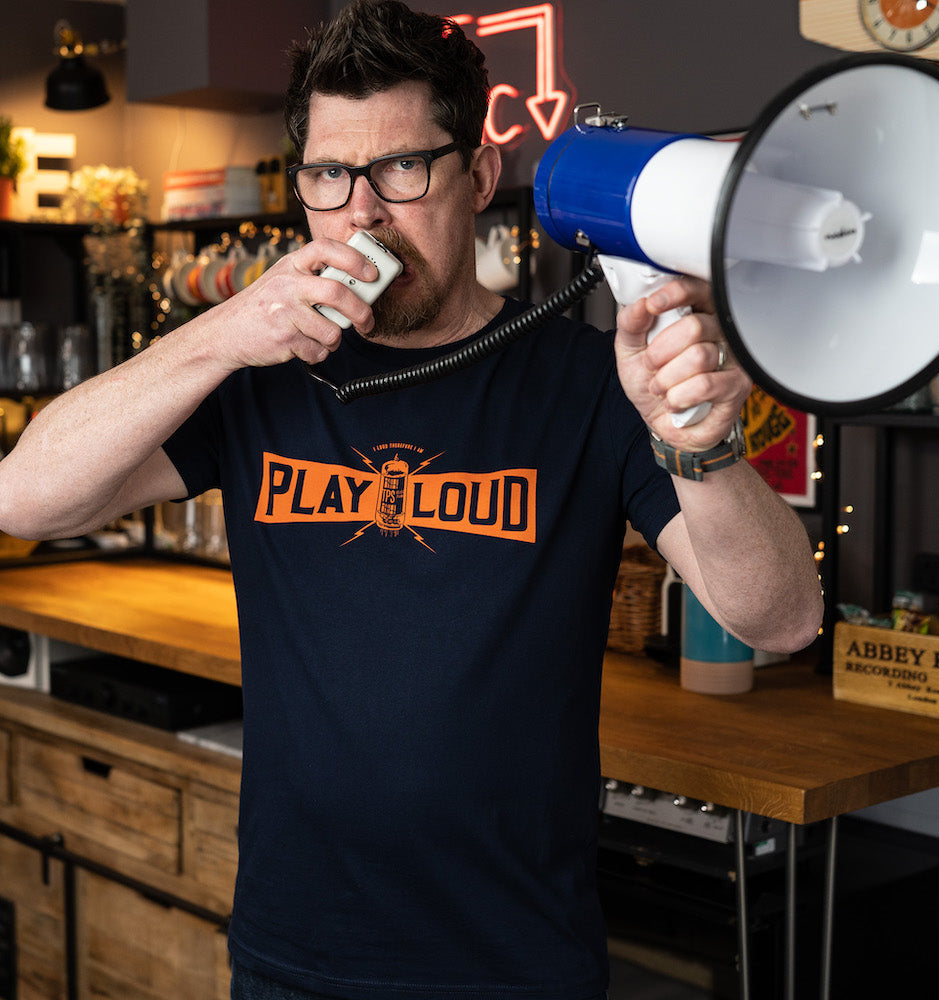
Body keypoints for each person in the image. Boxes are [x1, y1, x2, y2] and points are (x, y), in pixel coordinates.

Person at [0, 2, 823, 998]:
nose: (362, 213)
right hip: (293, 951)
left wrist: (700, 446)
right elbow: (26, 498)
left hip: (514, 963)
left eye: (401, 168)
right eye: (328, 177)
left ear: (474, 180)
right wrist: (224, 330)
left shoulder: (591, 380)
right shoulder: (261, 374)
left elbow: (780, 619)